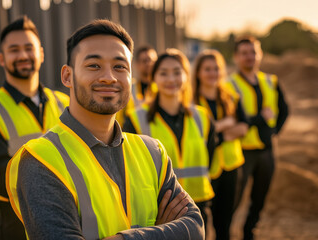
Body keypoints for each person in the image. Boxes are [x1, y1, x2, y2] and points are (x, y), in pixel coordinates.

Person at [6, 19, 204, 240]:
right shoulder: (41, 160)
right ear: (67, 76)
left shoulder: (152, 152)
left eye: (120, 66)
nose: (109, 77)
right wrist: (162, 232)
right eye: (94, 65)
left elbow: (195, 228)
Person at [0, 16, 69, 240]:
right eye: (14, 50)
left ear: (41, 54)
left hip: (70, 223)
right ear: (2, 59)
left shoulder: (67, 104)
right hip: (17, 227)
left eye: (28, 48)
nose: (23, 55)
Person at [123, 48, 216, 230]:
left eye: (176, 72)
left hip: (198, 204)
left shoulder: (202, 117)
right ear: (154, 78)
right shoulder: (136, 119)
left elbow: (209, 158)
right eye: (163, 73)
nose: (171, 79)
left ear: (186, 76)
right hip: (157, 210)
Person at [226, 36, 289, 240]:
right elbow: (232, 120)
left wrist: (274, 131)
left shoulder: (271, 81)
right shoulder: (228, 85)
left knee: (259, 200)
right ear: (236, 57)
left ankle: (249, 234)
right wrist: (261, 119)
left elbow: (284, 110)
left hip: (267, 151)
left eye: (253, 52)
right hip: (241, 151)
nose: (249, 57)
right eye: (244, 53)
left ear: (260, 55)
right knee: (232, 202)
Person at [192, 49, 248, 240]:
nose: (212, 73)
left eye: (216, 68)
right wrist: (224, 125)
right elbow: (199, 134)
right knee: (203, 226)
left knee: (225, 224)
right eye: (207, 69)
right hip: (204, 169)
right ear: (198, 72)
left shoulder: (230, 96)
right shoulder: (190, 100)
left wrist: (215, 131)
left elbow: (244, 127)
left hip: (231, 167)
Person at [115, 46, 158, 125]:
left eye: (152, 61)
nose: (149, 64)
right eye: (145, 61)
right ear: (137, 64)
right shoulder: (127, 88)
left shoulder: (162, 89)